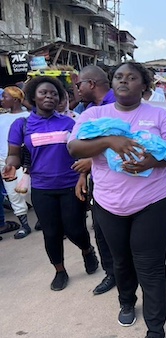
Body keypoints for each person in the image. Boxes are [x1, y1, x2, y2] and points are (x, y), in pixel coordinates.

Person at [68, 62, 166, 338]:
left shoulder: (159, 115)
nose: (124, 81)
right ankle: (127, 301)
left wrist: (151, 162)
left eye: (132, 78)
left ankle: (156, 329)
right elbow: (74, 148)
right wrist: (109, 142)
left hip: (153, 201)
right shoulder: (95, 115)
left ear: (143, 85)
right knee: (121, 261)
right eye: (119, 77)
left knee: (151, 265)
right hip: (109, 203)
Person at [2, 76, 99, 291]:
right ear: (33, 96)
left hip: (71, 185)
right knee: (51, 233)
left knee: (75, 229)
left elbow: (83, 153)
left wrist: (84, 174)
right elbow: (14, 155)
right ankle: (60, 271)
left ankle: (87, 251)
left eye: (54, 93)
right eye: (43, 92)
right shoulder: (23, 124)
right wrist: (10, 166)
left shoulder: (69, 123)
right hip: (42, 188)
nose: (49, 96)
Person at [75, 64, 118, 296]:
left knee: (128, 231)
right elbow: (86, 145)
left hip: (127, 178)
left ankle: (133, 274)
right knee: (100, 229)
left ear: (91, 84)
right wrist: (84, 175)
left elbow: (132, 141)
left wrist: (91, 163)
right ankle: (111, 273)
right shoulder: (88, 110)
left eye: (79, 84)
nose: (77, 89)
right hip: (99, 181)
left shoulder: (119, 104)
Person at [0, 86, 32, 239]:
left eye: (5, 97)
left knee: (29, 190)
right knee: (13, 192)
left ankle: (42, 219)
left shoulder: (28, 116)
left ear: (15, 100)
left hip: (24, 159)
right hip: (4, 160)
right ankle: (24, 225)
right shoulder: (1, 117)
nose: (2, 100)